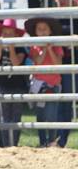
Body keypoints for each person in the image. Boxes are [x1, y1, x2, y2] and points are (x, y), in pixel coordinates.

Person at [24, 16, 63, 147]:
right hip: (39, 85)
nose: (42, 32)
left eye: (45, 29)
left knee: (51, 115)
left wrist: (50, 49)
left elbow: (58, 64)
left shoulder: (57, 46)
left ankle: (52, 141)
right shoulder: (34, 47)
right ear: (35, 32)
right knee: (40, 116)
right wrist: (45, 49)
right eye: (39, 29)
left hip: (53, 85)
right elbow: (38, 62)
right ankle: (42, 142)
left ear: (50, 31)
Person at [0, 19, 27, 147]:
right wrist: (0, 45)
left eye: (10, 33)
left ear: (16, 35)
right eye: (4, 33)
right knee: (4, 118)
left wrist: (11, 48)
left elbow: (16, 63)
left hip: (18, 86)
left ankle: (14, 144)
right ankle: (6, 144)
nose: (7, 36)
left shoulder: (20, 47)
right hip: (2, 85)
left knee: (15, 118)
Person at [54, 0, 76, 147]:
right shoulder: (53, 17)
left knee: (65, 102)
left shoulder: (75, 15)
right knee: (61, 103)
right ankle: (59, 140)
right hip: (58, 64)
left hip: (72, 64)